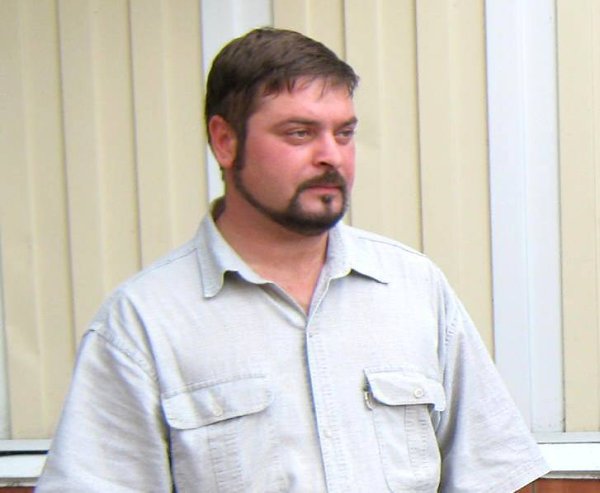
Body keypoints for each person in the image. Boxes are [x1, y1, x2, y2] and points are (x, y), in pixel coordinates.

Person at [36, 27, 549, 492]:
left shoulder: (414, 289)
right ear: (225, 141)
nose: (332, 155)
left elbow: (490, 474)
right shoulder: (143, 323)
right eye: (299, 133)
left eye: (344, 133)